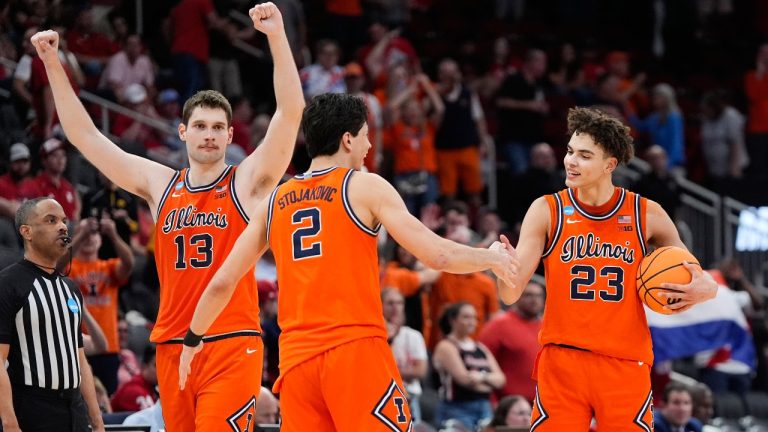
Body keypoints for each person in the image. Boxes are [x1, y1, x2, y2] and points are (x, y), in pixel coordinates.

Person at [30, 3, 303, 431]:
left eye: (218, 127)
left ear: (231, 135)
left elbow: (290, 113)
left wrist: (276, 37)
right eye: (200, 126)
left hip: (231, 343)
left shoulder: (246, 181)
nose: (209, 135)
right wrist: (52, 62)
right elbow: (86, 137)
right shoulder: (161, 184)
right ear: (183, 132)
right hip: (172, 345)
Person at [179, 92, 518, 431]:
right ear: (347, 139)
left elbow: (223, 281)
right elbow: (438, 254)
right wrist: (490, 257)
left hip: (297, 363)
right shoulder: (363, 186)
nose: (369, 146)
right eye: (365, 136)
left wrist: (192, 340)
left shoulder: (274, 202)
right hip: (354, 352)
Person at [497, 107, 718, 431]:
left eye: (585, 155)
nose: (571, 161)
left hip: (625, 363)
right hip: (562, 360)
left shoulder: (647, 214)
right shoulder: (547, 209)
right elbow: (511, 293)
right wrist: (503, 268)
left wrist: (706, 288)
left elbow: (698, 277)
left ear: (609, 164)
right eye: (570, 151)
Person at [0, 197, 105, 431]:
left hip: (74, 408)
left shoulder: (70, 288)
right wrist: (9, 423)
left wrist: (97, 421)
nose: (63, 226)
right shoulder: (8, 284)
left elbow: (79, 359)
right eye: (51, 220)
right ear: (26, 231)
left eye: (64, 221)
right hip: (32, 408)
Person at [69, 215, 134, 394]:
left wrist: (113, 234)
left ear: (101, 239)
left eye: (93, 234)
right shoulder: (69, 266)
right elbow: (58, 266)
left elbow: (129, 263)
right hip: (77, 346)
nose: (89, 237)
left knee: (107, 401)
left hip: (109, 348)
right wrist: (82, 234)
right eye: (83, 233)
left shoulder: (108, 267)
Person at [433, 302, 506, 429]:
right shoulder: (446, 346)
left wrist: (481, 377)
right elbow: (465, 380)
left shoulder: (480, 348)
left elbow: (501, 380)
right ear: (453, 320)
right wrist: (489, 382)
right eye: (466, 317)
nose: (471, 322)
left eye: (474, 318)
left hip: (484, 406)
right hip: (456, 408)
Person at [478, 280, 543, 401]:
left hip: (540, 406)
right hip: (507, 406)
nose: (535, 300)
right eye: (529, 295)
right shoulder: (498, 325)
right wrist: (492, 401)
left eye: (539, 295)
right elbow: (481, 363)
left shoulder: (547, 327)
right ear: (516, 297)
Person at [382, 288, 428, 421]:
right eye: (390, 303)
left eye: (399, 303)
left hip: (410, 395)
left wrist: (390, 372)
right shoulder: (376, 337)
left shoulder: (413, 335)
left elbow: (420, 371)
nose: (395, 307)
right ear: (381, 305)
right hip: (384, 395)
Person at [110, 345, 158, 412]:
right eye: (156, 365)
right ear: (144, 366)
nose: (161, 370)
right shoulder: (134, 391)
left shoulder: (153, 389)